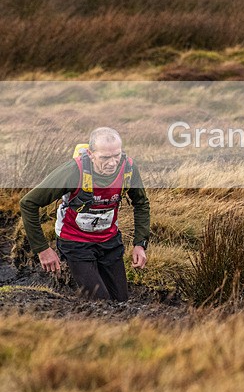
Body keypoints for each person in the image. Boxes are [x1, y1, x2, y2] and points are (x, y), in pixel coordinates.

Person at [20, 127, 150, 301]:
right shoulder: (73, 171)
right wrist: (42, 249)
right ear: (90, 154)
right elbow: (28, 203)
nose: (112, 163)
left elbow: (141, 203)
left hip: (109, 241)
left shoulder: (129, 169)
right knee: (101, 303)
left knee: (122, 302)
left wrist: (140, 244)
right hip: (75, 241)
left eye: (116, 156)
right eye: (105, 157)